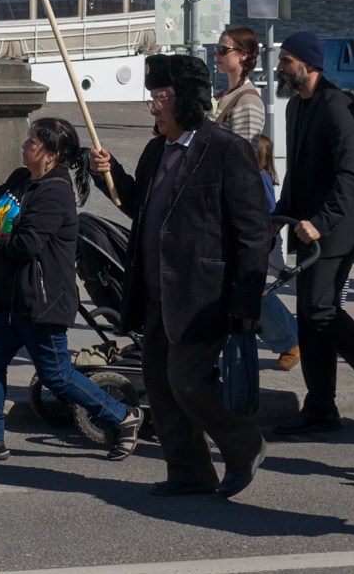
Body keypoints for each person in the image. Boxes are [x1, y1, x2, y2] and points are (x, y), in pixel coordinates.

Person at [88, 54, 271, 499]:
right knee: (158, 383)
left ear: (186, 101)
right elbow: (142, 208)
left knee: (186, 379)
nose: (152, 107)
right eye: (152, 97)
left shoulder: (227, 150)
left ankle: (245, 443)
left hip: (203, 294)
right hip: (156, 292)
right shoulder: (156, 151)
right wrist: (108, 175)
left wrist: (245, 305)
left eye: (160, 97)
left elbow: (253, 232)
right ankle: (189, 473)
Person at [0, 118, 139, 462]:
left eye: (33, 141)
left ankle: (122, 416)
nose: (25, 144)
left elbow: (26, 244)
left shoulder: (55, 192)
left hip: (42, 301)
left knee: (57, 375)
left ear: (51, 154)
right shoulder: (24, 180)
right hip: (10, 298)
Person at [272, 31, 354, 436]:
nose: (280, 67)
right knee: (309, 318)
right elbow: (296, 170)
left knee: (320, 310)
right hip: (306, 229)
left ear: (308, 65)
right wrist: (281, 214)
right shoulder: (296, 107)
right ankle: (320, 407)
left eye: (287, 60)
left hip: (337, 229)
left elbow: (349, 175)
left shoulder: (336, 105)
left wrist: (321, 222)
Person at [253, 132, 300, 369]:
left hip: (258, 237)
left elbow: (271, 209)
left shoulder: (259, 177)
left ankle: (290, 339)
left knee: (254, 289)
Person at [215, 26, 266, 144]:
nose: (217, 55)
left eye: (223, 50)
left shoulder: (248, 101)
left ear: (243, 55)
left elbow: (243, 156)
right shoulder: (223, 95)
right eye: (216, 49)